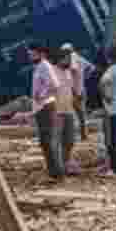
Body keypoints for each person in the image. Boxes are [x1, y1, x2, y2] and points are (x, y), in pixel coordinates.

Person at [28, 44, 73, 180]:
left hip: (46, 106)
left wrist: (41, 95)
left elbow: (54, 84)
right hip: (41, 107)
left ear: (41, 54)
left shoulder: (44, 66)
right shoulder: (40, 66)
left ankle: (56, 173)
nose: (30, 56)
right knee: (45, 141)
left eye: (32, 53)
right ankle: (53, 171)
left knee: (48, 140)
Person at [60, 42, 91, 142]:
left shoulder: (71, 58)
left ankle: (71, 137)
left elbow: (72, 70)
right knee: (82, 116)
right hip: (81, 89)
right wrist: (84, 77)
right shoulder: (80, 58)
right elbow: (90, 68)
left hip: (74, 91)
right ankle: (84, 136)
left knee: (70, 115)